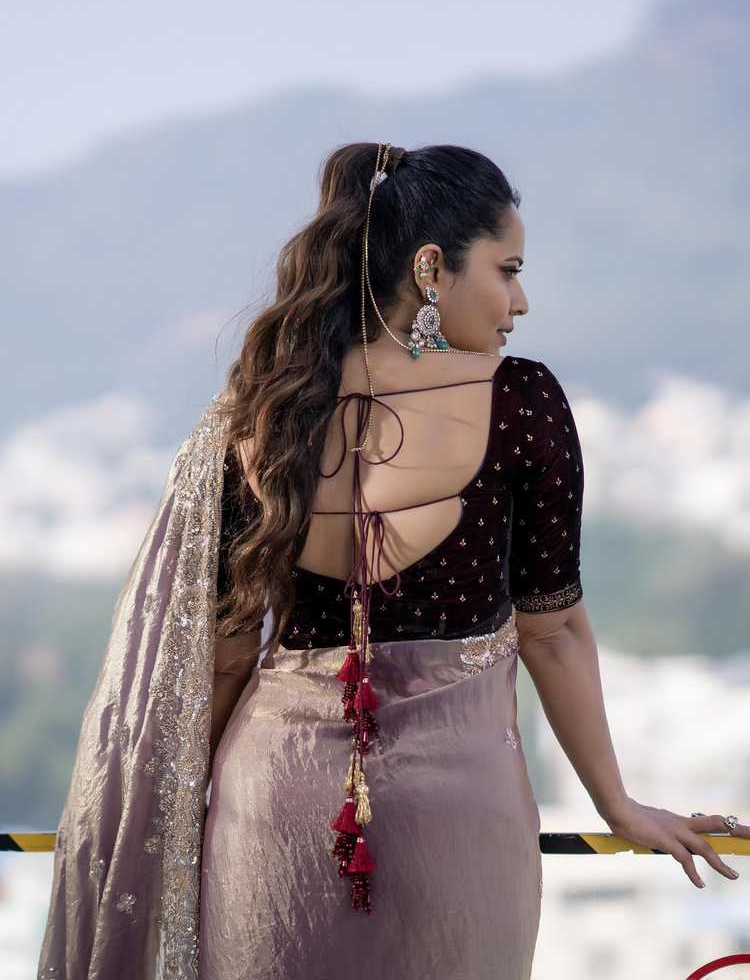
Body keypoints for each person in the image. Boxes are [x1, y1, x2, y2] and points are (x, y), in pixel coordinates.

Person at [37, 142, 746, 980]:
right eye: (508, 271)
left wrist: (181, 819)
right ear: (432, 268)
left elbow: (224, 655)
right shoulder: (522, 405)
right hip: (457, 824)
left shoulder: (269, 407)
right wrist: (615, 804)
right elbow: (552, 633)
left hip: (270, 813)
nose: (520, 301)